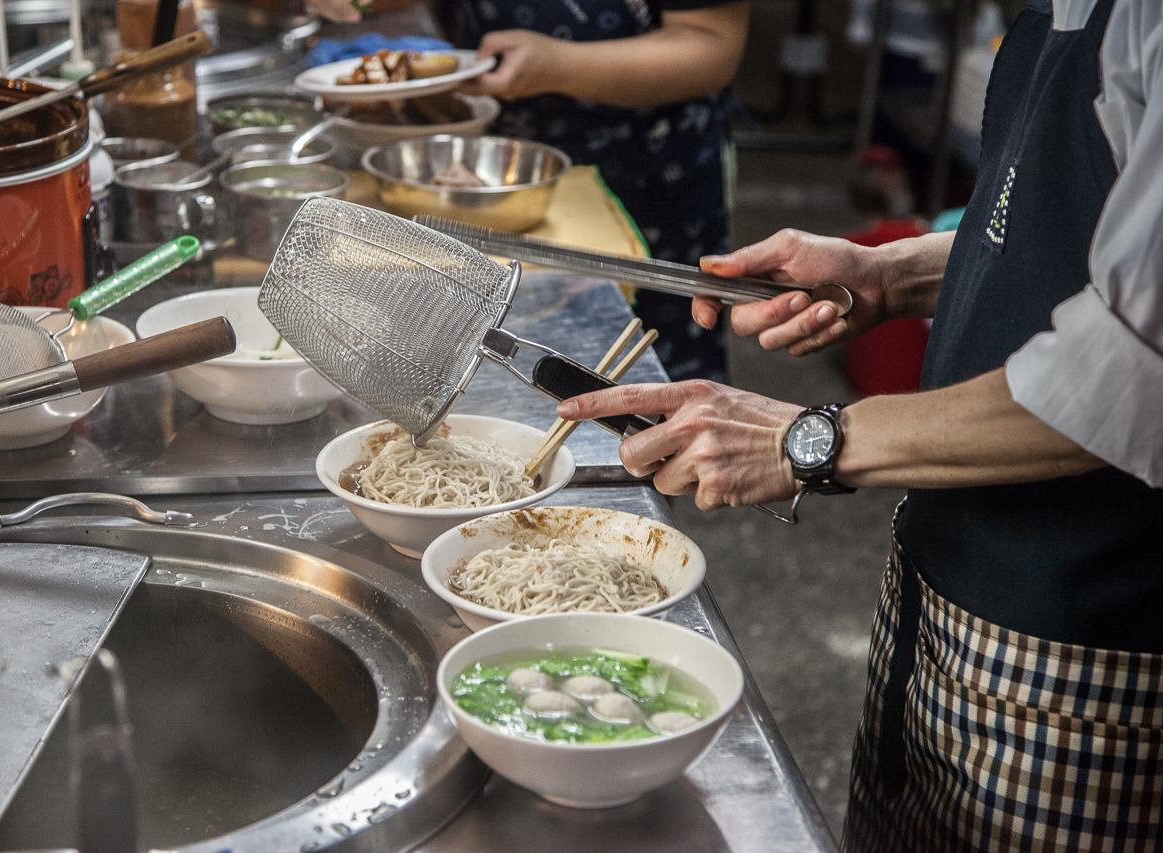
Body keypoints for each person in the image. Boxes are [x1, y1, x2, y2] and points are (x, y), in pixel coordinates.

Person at [557, 0, 1163, 847]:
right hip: (949, 567)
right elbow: (1092, 242)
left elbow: (1135, 371)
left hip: (1090, 643)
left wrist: (814, 440)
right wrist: (887, 272)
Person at [311, 0, 750, 383]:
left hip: (648, 176)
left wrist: (560, 66)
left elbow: (712, 45)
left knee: (651, 395)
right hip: (493, 176)